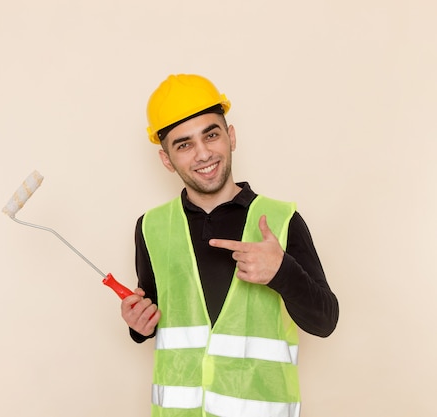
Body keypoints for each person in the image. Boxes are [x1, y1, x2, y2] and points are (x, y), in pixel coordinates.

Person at [120, 74, 339, 417]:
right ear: (166, 160)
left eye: (211, 134)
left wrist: (282, 272)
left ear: (231, 136)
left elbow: (325, 322)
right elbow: (159, 315)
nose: (203, 153)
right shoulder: (151, 227)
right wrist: (138, 326)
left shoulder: (280, 220)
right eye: (184, 144)